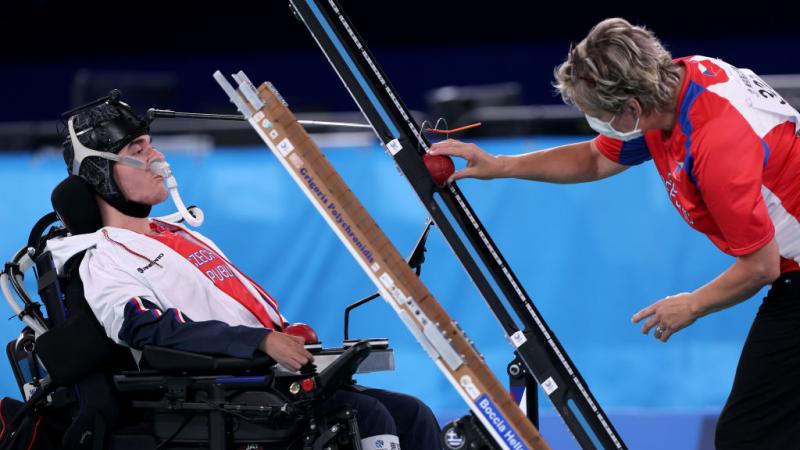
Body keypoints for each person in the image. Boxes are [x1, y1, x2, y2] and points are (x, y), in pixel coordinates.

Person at [429, 18, 800, 450]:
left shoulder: (716, 145)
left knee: (751, 434)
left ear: (632, 109)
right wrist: (502, 166)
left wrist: (692, 304)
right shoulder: (674, 87)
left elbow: (760, 265)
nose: (592, 121)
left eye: (598, 112)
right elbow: (595, 159)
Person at [59, 92, 440, 450]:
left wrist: (284, 339)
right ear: (99, 172)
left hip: (266, 378)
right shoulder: (102, 256)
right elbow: (145, 328)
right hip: (222, 391)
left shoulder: (181, 233)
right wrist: (256, 341)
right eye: (136, 150)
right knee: (365, 417)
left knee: (413, 414)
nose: (156, 157)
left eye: (150, 143)